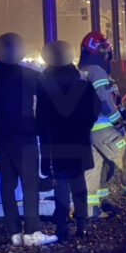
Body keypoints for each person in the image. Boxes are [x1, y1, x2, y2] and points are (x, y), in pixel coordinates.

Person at [0, 33, 57, 247]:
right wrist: (43, 131)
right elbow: (45, 106)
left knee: (8, 185)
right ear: (20, 51)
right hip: (26, 137)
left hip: (2, 140)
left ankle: (14, 232)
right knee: (30, 184)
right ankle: (32, 232)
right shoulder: (31, 76)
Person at [37, 40, 101, 241]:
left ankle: (62, 229)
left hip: (56, 143)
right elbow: (94, 110)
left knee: (61, 185)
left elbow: (41, 117)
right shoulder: (82, 82)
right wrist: (84, 127)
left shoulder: (45, 83)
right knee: (79, 182)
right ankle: (82, 226)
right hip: (78, 141)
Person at [79, 31, 126, 217]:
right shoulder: (97, 71)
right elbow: (104, 98)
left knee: (96, 169)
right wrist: (117, 121)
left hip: (88, 131)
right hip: (104, 129)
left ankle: (92, 209)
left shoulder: (82, 71)